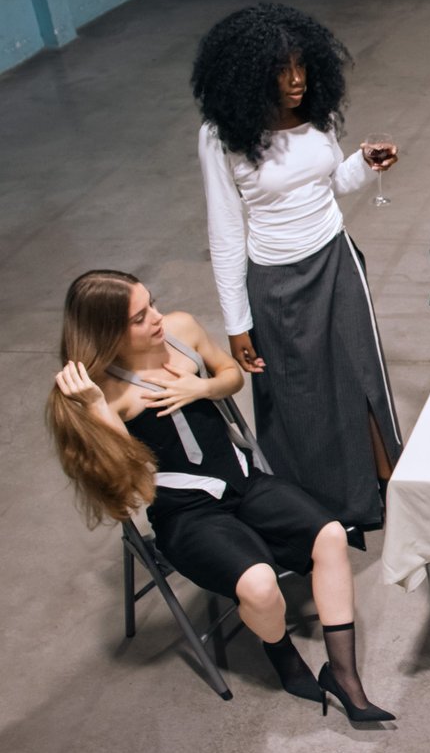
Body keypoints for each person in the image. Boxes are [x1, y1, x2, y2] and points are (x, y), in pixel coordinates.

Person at [47, 270, 394, 723]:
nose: (156, 318)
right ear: (105, 331)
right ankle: (283, 655)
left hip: (244, 482)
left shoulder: (181, 329)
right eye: (139, 317)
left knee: (330, 534)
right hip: (186, 513)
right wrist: (95, 410)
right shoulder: (101, 393)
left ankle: (343, 675)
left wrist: (203, 386)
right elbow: (125, 487)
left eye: (152, 303)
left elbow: (231, 375)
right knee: (261, 585)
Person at [192, 2, 401, 536]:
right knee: (301, 400)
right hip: (277, 283)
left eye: (302, 65)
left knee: (362, 376)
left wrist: (363, 164)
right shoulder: (221, 135)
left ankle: (390, 487)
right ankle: (329, 507)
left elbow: (329, 184)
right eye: (281, 70)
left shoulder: (318, 113)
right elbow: (225, 232)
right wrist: (237, 323)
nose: (297, 80)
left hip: (336, 260)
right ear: (250, 75)